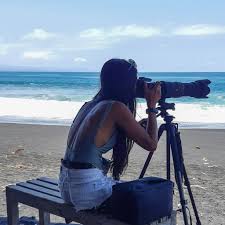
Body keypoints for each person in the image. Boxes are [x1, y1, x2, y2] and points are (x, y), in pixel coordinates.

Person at [58, 58, 161, 212]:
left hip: (66, 186)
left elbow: (102, 135)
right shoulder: (117, 107)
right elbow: (151, 145)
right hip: (86, 189)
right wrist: (152, 106)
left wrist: (135, 127)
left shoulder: (90, 105)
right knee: (153, 204)